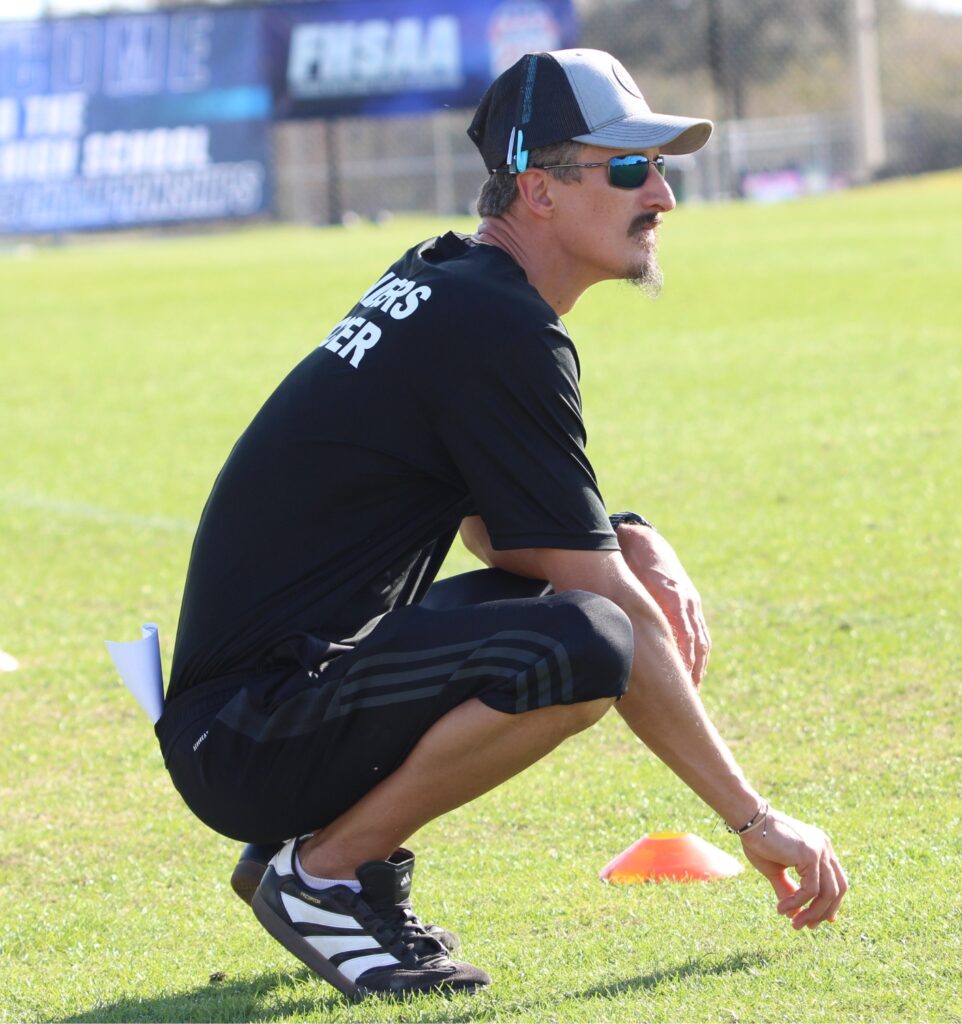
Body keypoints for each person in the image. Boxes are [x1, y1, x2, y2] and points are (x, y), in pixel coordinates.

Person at [157, 48, 847, 1002]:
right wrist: (753, 817)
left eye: (660, 169)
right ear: (539, 190)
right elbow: (599, 606)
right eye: (628, 169)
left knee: (580, 605)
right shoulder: (498, 327)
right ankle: (324, 873)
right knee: (586, 639)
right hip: (247, 734)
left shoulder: (461, 290)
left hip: (254, 716)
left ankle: (308, 850)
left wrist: (631, 534)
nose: (663, 197)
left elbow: (510, 533)